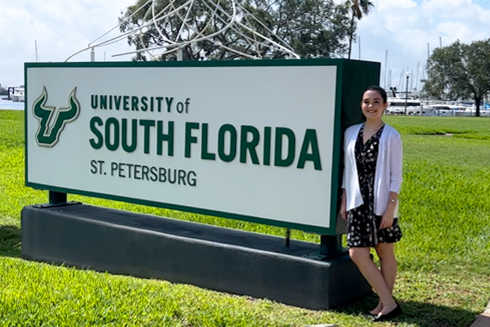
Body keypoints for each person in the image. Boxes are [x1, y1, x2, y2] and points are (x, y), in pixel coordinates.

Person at [340, 86, 403, 322]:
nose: (371, 106)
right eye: (366, 102)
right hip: (358, 201)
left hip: (382, 203)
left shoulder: (391, 135)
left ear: (385, 105)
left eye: (377, 102)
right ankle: (389, 302)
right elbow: (348, 169)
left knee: (385, 251)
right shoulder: (351, 132)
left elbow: (396, 175)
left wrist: (391, 207)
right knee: (357, 252)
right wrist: (345, 198)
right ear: (361, 105)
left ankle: (384, 304)